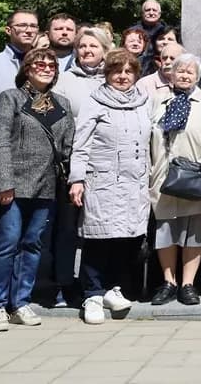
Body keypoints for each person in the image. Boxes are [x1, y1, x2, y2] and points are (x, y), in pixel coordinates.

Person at [0, 48, 73, 333]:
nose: (46, 67)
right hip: (14, 183)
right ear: (26, 67)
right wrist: (5, 182)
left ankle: (20, 302)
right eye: (39, 63)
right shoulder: (11, 97)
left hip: (46, 185)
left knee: (33, 244)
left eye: (51, 64)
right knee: (7, 242)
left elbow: (67, 147)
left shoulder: (62, 103)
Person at [69, 49, 152, 325]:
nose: (123, 76)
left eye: (128, 71)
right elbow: (81, 144)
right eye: (117, 71)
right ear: (108, 74)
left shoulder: (144, 102)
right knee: (98, 238)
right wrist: (77, 179)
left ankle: (112, 288)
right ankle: (92, 293)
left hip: (134, 183)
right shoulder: (95, 101)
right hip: (102, 182)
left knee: (125, 238)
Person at [147, 53, 201, 307]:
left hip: (196, 177)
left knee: (193, 233)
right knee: (165, 232)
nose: (185, 75)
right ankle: (169, 281)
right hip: (163, 176)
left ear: (197, 76)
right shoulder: (157, 101)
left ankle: (188, 284)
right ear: (171, 74)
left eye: (190, 72)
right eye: (180, 71)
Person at [49, 25, 112, 306]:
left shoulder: (114, 80)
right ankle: (63, 283)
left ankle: (99, 282)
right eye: (82, 47)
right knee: (67, 229)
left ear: (105, 51)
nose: (87, 51)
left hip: (107, 166)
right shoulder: (63, 81)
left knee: (99, 228)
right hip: (71, 165)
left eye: (93, 46)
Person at [0, 10, 41, 96]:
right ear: (8, 30)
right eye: (22, 25)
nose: (29, 30)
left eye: (33, 26)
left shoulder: (46, 65)